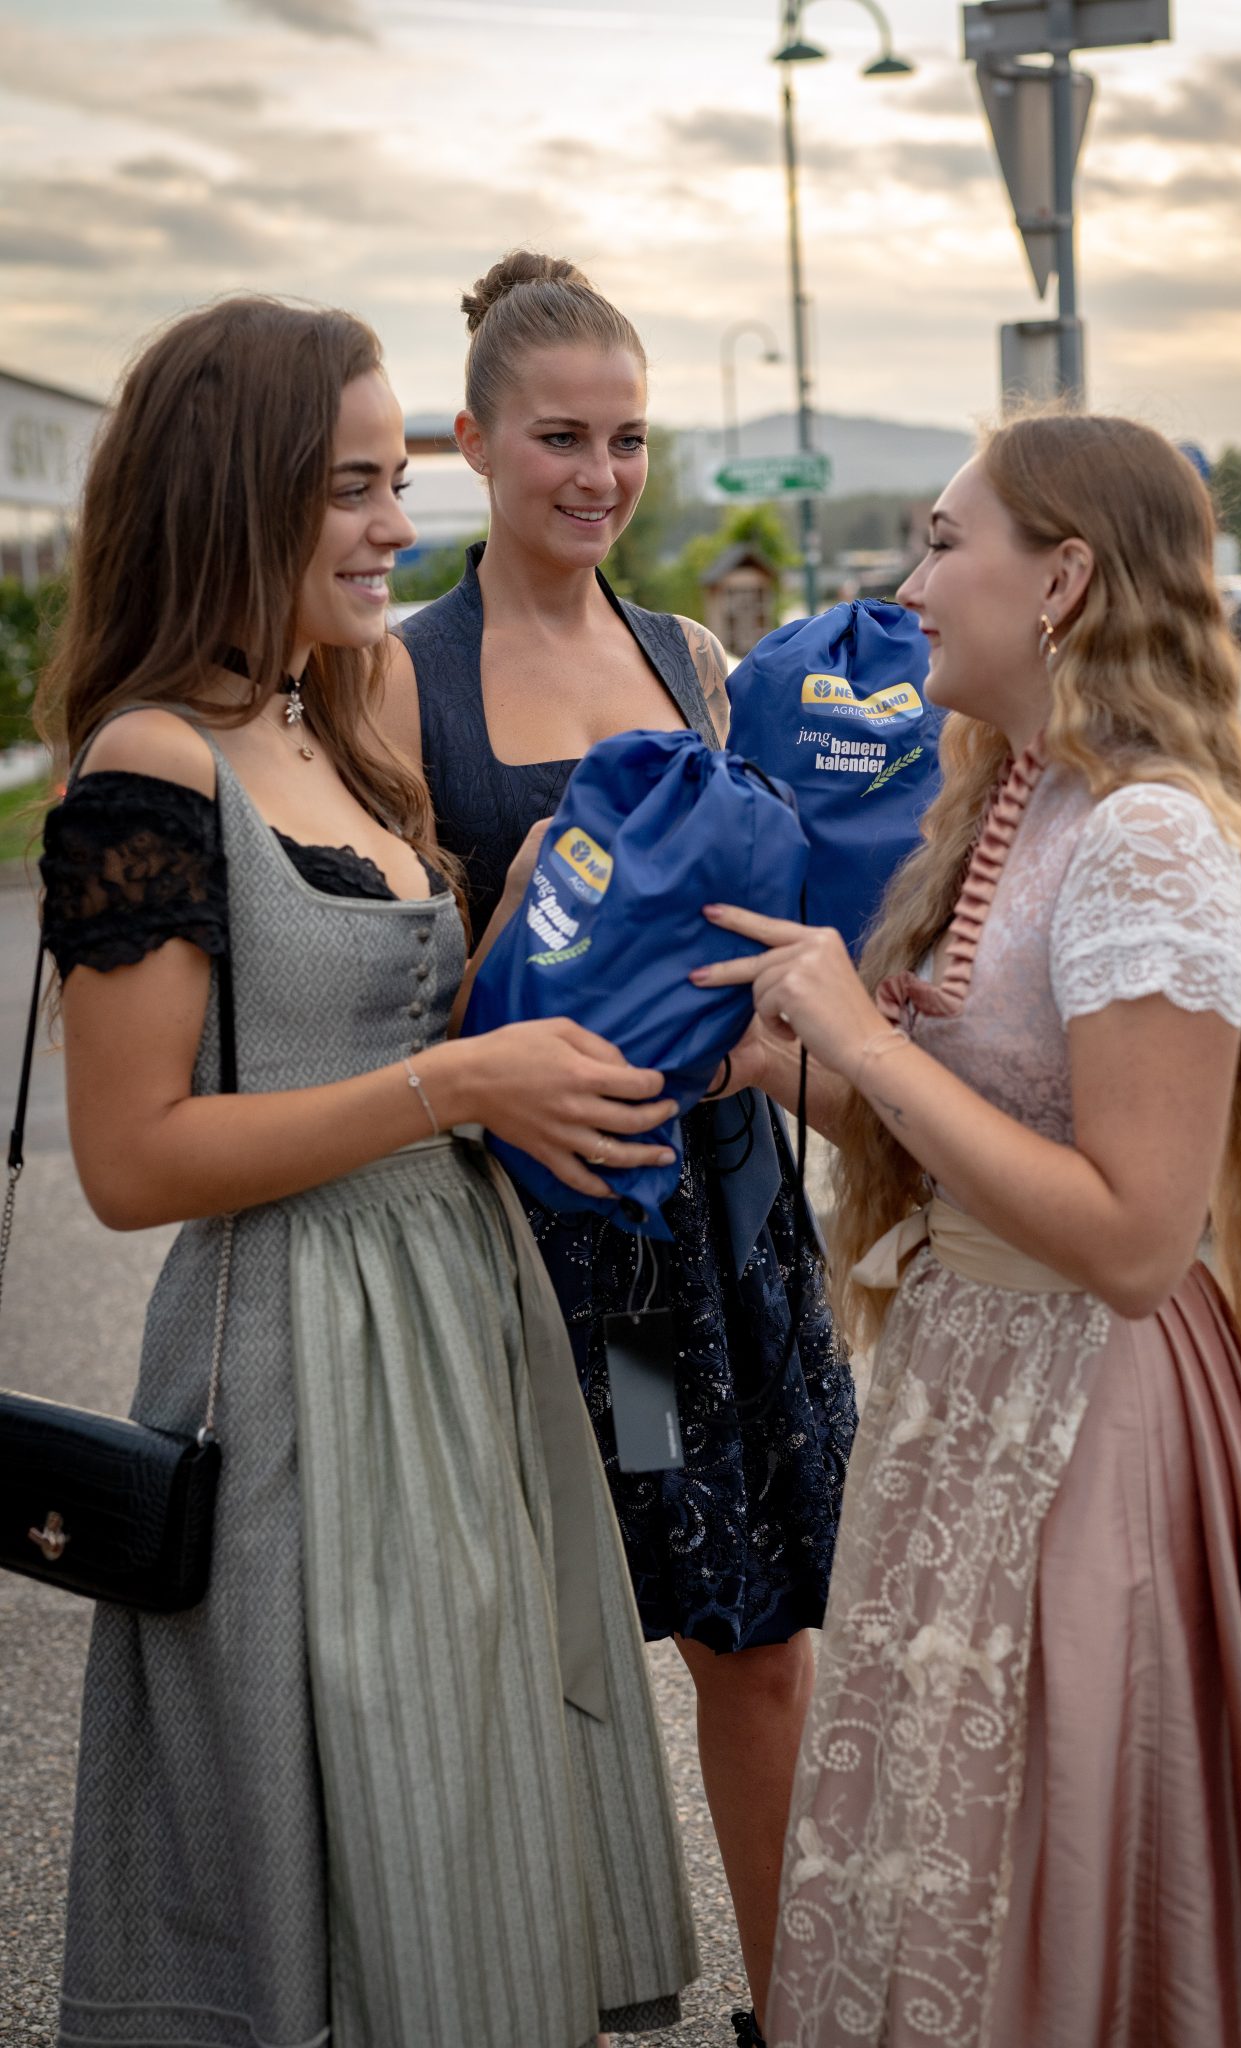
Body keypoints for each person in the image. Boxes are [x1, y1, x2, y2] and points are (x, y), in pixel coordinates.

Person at [37, 295, 697, 2048]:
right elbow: (132, 1160)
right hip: (303, 1365)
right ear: (228, 492)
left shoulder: (334, 724)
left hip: (457, 1326)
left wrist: (544, 924)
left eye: (395, 480)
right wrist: (453, 1084)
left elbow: (399, 1022)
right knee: (348, 1819)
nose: (397, 526)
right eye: (350, 487)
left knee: (469, 1795)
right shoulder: (147, 763)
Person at [694, 412, 1241, 2046]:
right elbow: (977, 1143)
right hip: (974, 1383)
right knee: (955, 1850)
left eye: (941, 543)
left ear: (1060, 579)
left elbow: (1133, 1239)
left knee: (1044, 1860)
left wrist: (861, 1045)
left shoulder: (1142, 834)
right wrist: (774, 1058)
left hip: (1088, 1416)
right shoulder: (1019, 798)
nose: (907, 586)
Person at [377, 250, 857, 2041]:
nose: (599, 476)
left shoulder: (691, 661)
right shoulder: (394, 678)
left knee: (752, 1635)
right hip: (518, 1243)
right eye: (560, 438)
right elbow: (389, 1009)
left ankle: (787, 2011)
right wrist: (512, 919)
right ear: (471, 442)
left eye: (628, 439)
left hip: (692, 1242)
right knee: (521, 1651)